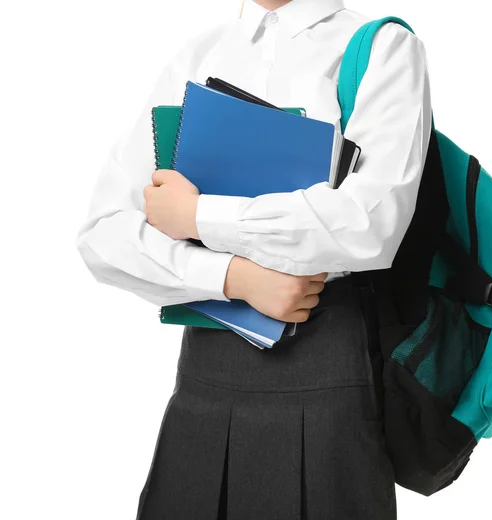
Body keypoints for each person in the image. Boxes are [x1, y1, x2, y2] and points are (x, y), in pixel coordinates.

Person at [75, 0, 431, 518]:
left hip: (326, 373)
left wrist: (200, 218)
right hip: (203, 380)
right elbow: (104, 232)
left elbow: (372, 225)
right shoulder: (198, 56)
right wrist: (232, 278)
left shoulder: (381, 48)